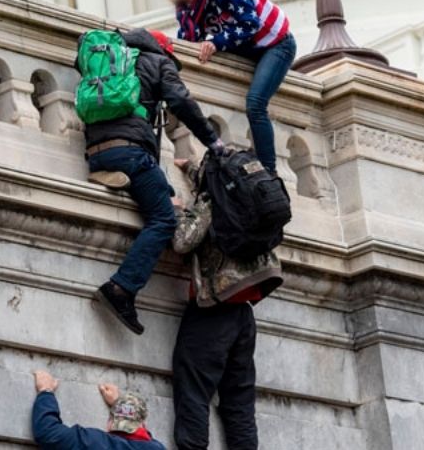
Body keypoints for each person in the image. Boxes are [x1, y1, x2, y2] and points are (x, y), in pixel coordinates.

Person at [84, 28, 223, 335]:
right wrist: (212, 141)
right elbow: (182, 102)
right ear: (164, 51)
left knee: (161, 190)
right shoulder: (158, 62)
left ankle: (114, 176)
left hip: (97, 150)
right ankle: (121, 288)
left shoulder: (110, 57)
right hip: (130, 151)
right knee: (162, 218)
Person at [169, 156, 283, 450]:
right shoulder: (243, 197)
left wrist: (180, 213)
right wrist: (192, 168)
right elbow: (214, 180)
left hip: (215, 307)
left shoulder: (213, 201)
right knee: (239, 398)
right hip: (245, 312)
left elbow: (184, 241)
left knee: (192, 383)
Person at [159, 0, 295, 174]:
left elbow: (251, 23)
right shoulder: (186, 5)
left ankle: (269, 171)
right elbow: (189, 42)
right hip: (245, 48)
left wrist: (217, 42)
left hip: (275, 44)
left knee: (255, 104)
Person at [30, 370, 166, 450]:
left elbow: (47, 433)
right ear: (143, 425)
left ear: (110, 425)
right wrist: (120, 405)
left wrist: (46, 392)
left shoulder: (97, 443)